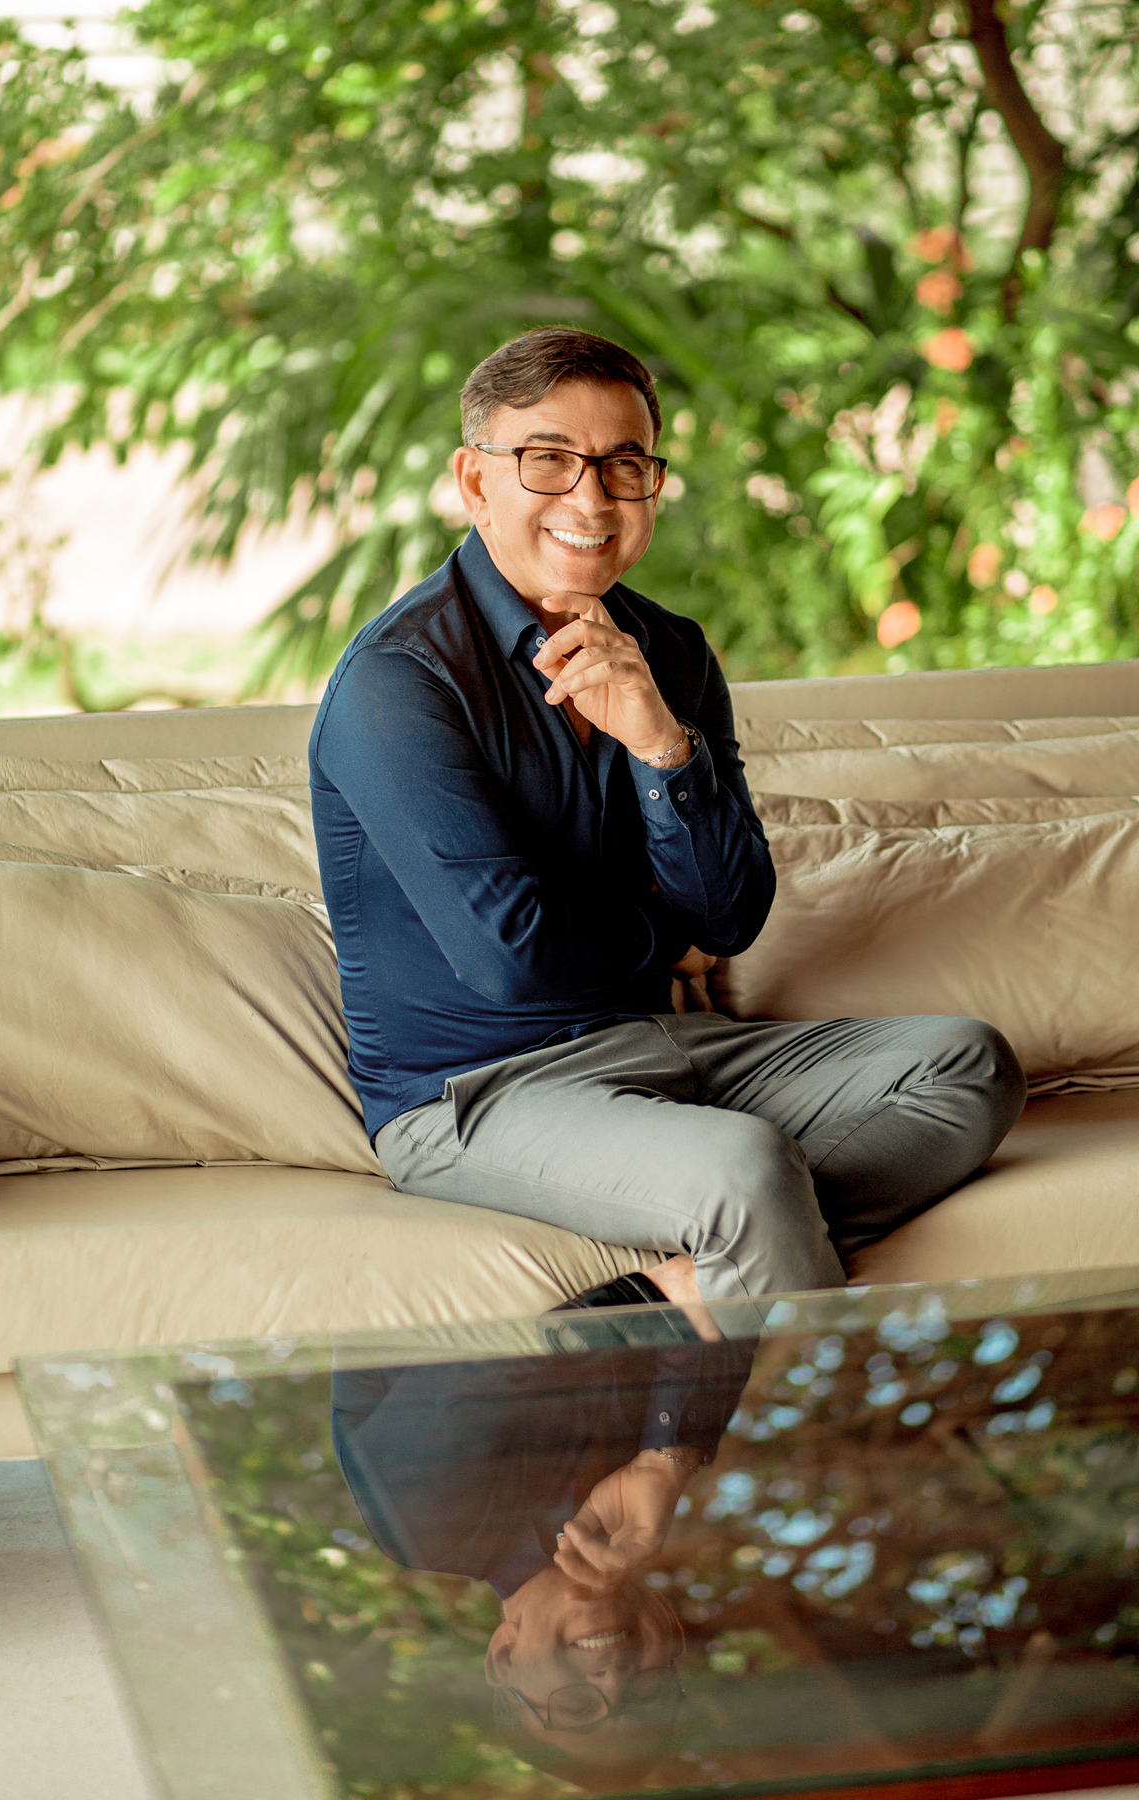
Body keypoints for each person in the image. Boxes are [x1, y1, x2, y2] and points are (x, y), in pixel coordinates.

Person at [309, 326, 1026, 1308]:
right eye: (548, 461)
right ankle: (794, 1391)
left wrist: (661, 746)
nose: (591, 499)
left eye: (624, 465)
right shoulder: (399, 681)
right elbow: (510, 959)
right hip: (477, 1094)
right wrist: (662, 934)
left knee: (967, 1065)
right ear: (476, 482)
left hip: (665, 1044)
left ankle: (676, 1295)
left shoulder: (672, 653)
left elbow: (728, 920)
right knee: (744, 1168)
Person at [331, 1319, 753, 1778]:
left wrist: (660, 1300)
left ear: (505, 1658)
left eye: (574, 1706)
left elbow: (505, 1329)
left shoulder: (426, 1530)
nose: (614, 1679)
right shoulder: (657, 1467)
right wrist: (666, 1460)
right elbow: (724, 1308)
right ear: (670, 1626)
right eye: (645, 1696)